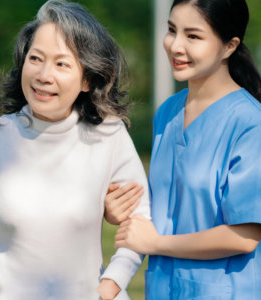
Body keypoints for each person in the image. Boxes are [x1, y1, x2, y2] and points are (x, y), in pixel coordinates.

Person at [0, 0, 150, 299]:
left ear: (87, 79)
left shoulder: (109, 135)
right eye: (36, 58)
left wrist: (111, 284)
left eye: (61, 64)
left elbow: (139, 220)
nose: (44, 75)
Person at [105, 0, 261, 299]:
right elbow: (161, 209)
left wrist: (156, 244)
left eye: (193, 36)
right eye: (172, 30)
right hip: (163, 289)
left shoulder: (251, 124)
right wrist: (117, 212)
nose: (176, 46)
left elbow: (244, 236)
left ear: (229, 46)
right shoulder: (168, 113)